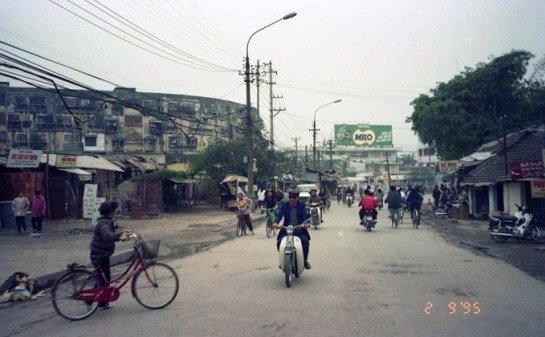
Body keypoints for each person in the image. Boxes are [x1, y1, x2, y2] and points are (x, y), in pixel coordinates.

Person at [89, 201, 129, 308]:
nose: (115, 213)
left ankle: (102, 303)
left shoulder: (106, 221)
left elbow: (111, 234)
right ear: (111, 212)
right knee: (104, 279)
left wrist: (121, 234)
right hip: (99, 255)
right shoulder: (104, 223)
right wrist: (119, 237)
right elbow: (108, 236)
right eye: (114, 211)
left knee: (104, 279)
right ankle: (90, 300)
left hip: (102, 254)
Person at [273, 190, 312, 269]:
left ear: (297, 198)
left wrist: (305, 225)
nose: (291, 199)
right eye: (290, 197)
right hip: (287, 230)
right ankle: (283, 260)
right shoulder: (284, 206)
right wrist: (276, 223)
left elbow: (305, 216)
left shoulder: (302, 206)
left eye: (294, 197)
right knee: (279, 243)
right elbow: (279, 215)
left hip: (299, 230)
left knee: (305, 242)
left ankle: (304, 260)